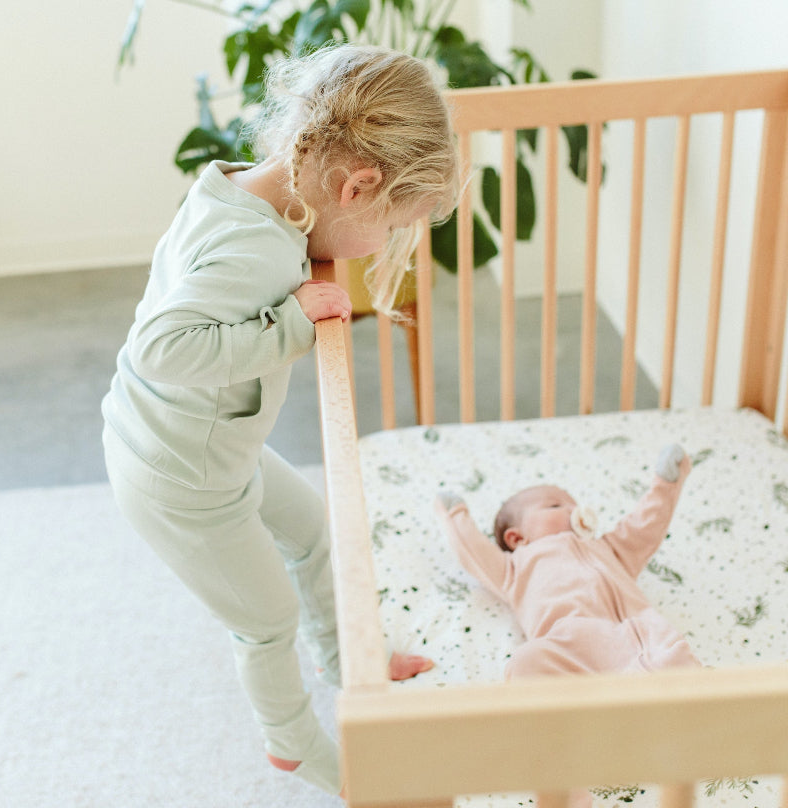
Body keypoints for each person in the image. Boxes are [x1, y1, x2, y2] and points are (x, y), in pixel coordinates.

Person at [102, 44, 460, 796]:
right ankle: (292, 743)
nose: (384, 247)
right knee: (264, 621)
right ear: (357, 186)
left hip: (200, 442)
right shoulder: (256, 252)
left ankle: (349, 664)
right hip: (184, 479)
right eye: (394, 225)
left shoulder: (242, 190)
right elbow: (161, 347)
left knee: (314, 532)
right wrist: (291, 326)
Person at [433, 444, 701, 680]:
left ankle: (695, 709)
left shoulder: (610, 548)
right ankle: (571, 723)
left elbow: (644, 527)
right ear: (517, 538)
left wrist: (665, 486)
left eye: (575, 504)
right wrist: (455, 514)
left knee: (678, 656)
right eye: (555, 506)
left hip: (643, 634)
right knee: (525, 663)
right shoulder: (515, 568)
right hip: (572, 645)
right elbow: (473, 550)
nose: (574, 510)